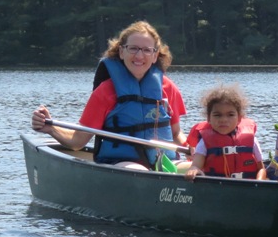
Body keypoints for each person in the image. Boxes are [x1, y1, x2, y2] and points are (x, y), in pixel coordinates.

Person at [31, 21, 188, 171]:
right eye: (133, 48)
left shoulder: (169, 88)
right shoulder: (105, 91)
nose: (140, 56)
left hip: (166, 162)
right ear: (121, 52)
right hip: (124, 163)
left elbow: (175, 133)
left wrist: (191, 147)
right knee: (140, 171)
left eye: (147, 50)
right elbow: (77, 142)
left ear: (155, 56)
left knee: (199, 170)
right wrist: (50, 128)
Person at [185, 84, 267, 181]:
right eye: (217, 115)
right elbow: (196, 165)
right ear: (208, 118)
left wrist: (259, 182)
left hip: (247, 188)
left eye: (230, 115)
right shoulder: (204, 142)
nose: (223, 120)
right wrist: (194, 169)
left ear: (239, 118)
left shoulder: (251, 140)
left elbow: (261, 168)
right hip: (216, 188)